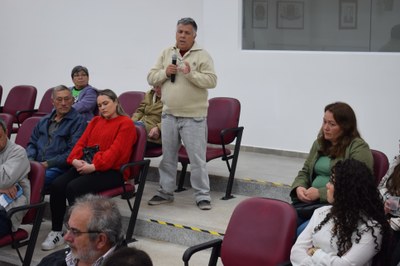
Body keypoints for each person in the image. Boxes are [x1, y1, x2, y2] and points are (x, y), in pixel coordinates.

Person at [41, 89, 137, 251]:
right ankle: (57, 231)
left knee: (74, 187)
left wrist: (94, 166)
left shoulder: (125, 123)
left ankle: (79, 232)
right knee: (57, 185)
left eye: (106, 103)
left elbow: (116, 152)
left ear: (116, 102)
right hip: (88, 165)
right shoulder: (95, 121)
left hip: (113, 171)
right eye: (99, 105)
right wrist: (75, 160)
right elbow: (81, 143)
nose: (103, 108)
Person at [147, 17, 217, 210]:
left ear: (194, 35)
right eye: (180, 31)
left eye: (187, 32)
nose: (183, 35)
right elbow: (150, 77)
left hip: (194, 117)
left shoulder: (202, 55)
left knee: (197, 160)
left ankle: (202, 195)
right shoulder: (166, 53)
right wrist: (164, 73)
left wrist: (190, 73)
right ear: (175, 33)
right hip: (169, 115)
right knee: (168, 158)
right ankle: (165, 192)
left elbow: (212, 81)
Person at [290, 102, 373, 234]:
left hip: (337, 207)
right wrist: (299, 188)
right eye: (324, 122)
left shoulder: (358, 147)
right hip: (309, 204)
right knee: (281, 224)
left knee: (301, 231)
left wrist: (320, 193)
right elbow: (305, 171)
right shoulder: (318, 144)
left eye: (332, 124)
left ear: (345, 127)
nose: (326, 128)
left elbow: (357, 184)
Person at [290, 159, 391, 266]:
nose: (327, 186)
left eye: (332, 182)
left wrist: (315, 252)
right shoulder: (321, 212)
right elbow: (296, 251)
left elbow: (344, 265)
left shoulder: (371, 229)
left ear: (347, 190)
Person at [37, 194, 126, 266]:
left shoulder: (131, 262)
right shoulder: (53, 260)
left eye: (75, 232)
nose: (66, 237)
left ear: (100, 240)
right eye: (68, 228)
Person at [26, 85, 86, 190]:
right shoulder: (43, 121)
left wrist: (47, 164)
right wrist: (31, 160)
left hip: (59, 167)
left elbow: (73, 151)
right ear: (52, 102)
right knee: (11, 176)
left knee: (30, 180)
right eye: (59, 99)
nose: (63, 103)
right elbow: (32, 143)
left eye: (67, 99)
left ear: (72, 100)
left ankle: (25, 205)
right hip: (37, 164)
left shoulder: (79, 121)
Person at [0, 119, 30, 237]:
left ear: (6, 132)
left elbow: (4, 181)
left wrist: (2, 188)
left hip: (7, 212)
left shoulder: (18, 152)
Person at [378, 154, 400, 265]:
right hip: (390, 214)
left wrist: (394, 223)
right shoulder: (397, 161)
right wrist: (388, 199)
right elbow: (381, 186)